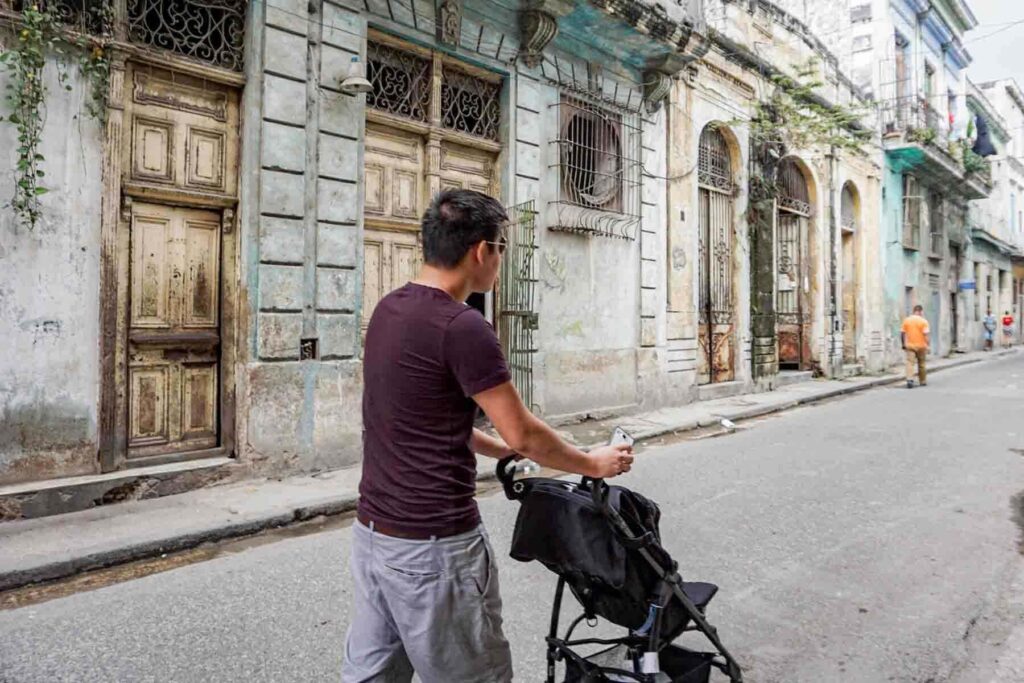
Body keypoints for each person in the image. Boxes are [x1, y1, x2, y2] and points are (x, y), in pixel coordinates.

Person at [342, 189, 635, 683]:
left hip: (373, 537)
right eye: (502, 247)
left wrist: (495, 448)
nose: (500, 259)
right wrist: (593, 462)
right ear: (482, 251)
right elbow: (523, 432)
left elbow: (420, 412)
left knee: (371, 676)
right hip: (435, 550)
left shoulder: (389, 310)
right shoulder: (462, 326)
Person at [901, 305, 930, 388]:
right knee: (922, 363)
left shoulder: (906, 320)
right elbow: (926, 335)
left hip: (910, 345)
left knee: (910, 363)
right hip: (921, 346)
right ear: (920, 311)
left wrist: (903, 344)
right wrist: (928, 345)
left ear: (913, 311)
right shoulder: (924, 321)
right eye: (921, 312)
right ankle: (923, 381)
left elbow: (902, 333)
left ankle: (910, 379)